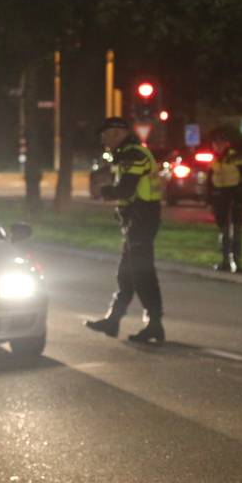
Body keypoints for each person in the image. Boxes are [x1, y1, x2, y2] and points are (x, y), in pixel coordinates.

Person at [84, 116, 166, 343]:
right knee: (126, 273)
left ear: (117, 133)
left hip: (142, 220)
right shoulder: (126, 154)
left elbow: (126, 189)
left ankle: (154, 324)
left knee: (142, 273)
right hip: (136, 219)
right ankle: (114, 319)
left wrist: (104, 192)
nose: (102, 139)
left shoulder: (134, 155)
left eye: (105, 134)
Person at [205, 129, 242, 273]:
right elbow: (209, 181)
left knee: (236, 229)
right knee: (223, 230)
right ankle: (225, 261)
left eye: (220, 144)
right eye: (215, 144)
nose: (217, 146)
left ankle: (238, 262)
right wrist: (208, 201)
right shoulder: (213, 159)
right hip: (220, 197)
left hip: (235, 195)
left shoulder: (236, 157)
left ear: (226, 144)